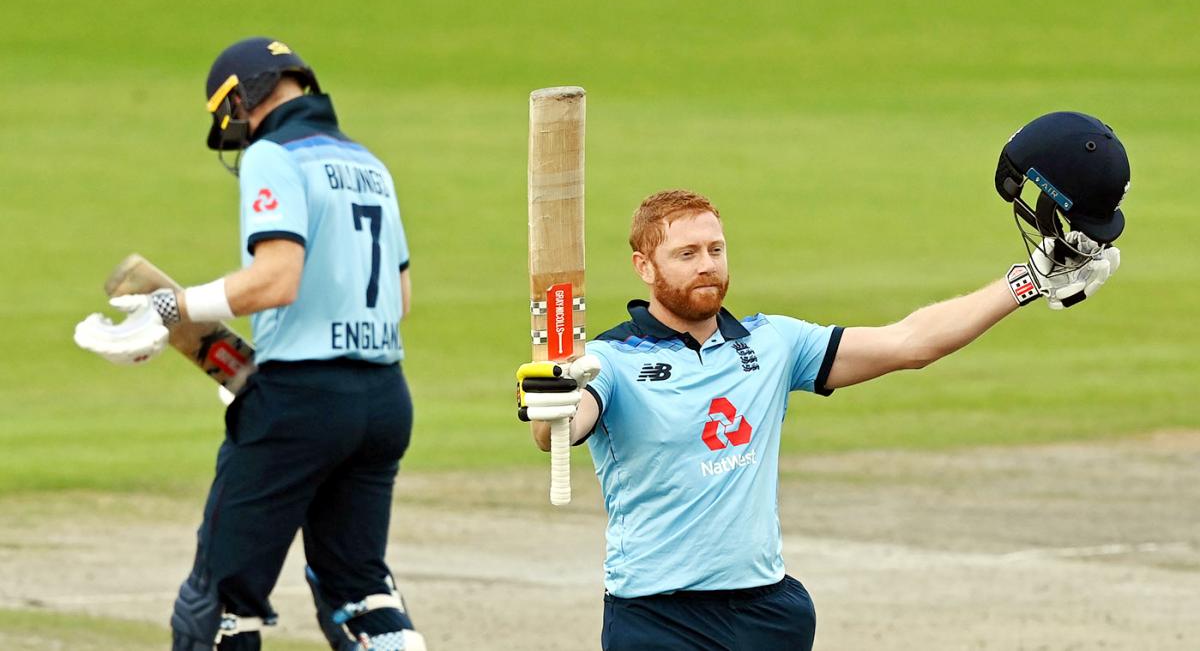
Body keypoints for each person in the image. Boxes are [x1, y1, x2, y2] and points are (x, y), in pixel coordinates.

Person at [516, 112, 1128, 650]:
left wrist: (1026, 280)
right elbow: (563, 429)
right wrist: (554, 401)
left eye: (716, 249)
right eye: (687, 254)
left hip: (765, 612)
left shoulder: (771, 342)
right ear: (643, 267)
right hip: (657, 618)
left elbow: (909, 343)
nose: (707, 265)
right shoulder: (608, 360)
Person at [74, 37, 425, 651]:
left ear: (241, 97)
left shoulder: (274, 153)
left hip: (299, 403)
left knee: (219, 609)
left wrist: (170, 309)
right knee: (361, 596)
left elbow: (277, 278)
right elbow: (398, 301)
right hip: (384, 402)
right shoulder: (370, 163)